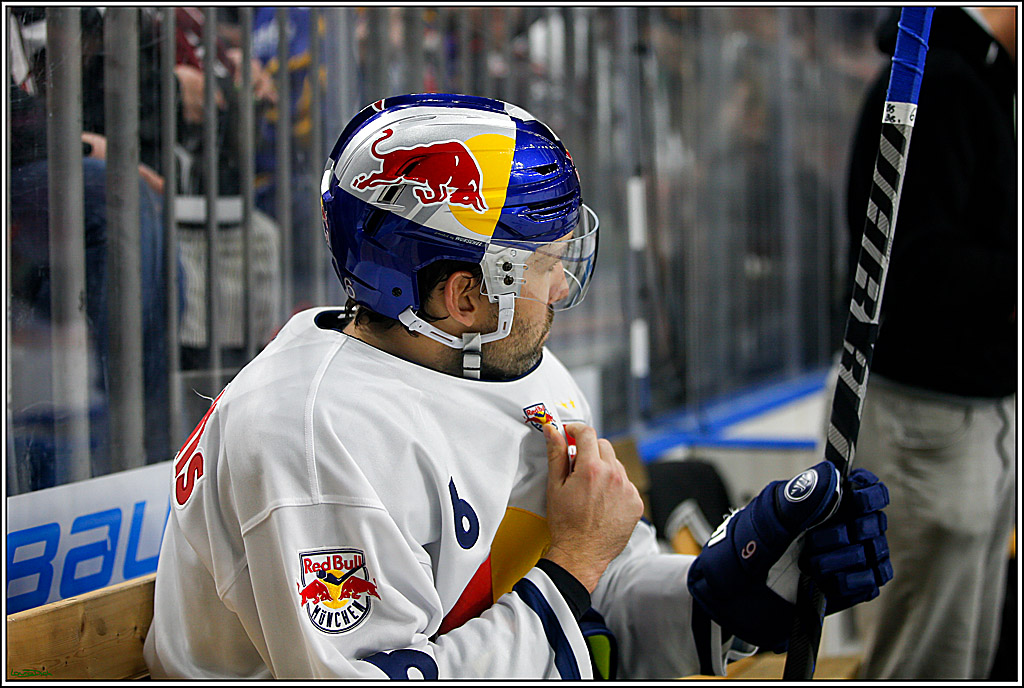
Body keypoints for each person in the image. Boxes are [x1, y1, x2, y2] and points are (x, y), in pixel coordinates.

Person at [144, 93, 893, 678]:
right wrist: (570, 575)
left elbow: (603, 583)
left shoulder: (505, 361)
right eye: (545, 265)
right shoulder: (312, 442)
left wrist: (741, 584)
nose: (565, 284)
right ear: (464, 297)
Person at [843, 7, 1016, 680]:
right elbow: (908, 268)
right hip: (931, 416)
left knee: (964, 650)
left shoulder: (983, 83)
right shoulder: (936, 84)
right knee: (924, 655)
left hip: (980, 410)